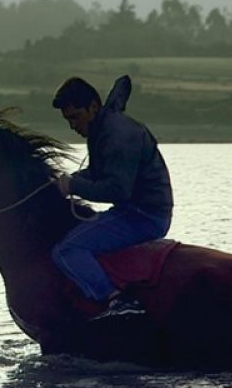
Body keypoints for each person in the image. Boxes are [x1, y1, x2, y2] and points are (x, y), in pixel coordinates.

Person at [50, 75, 174, 320]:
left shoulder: (117, 135)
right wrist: (63, 183)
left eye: (75, 117)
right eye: (67, 120)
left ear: (93, 107)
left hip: (144, 216)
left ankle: (116, 300)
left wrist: (72, 185)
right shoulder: (104, 128)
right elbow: (98, 174)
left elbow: (116, 190)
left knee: (67, 251)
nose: (72, 126)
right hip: (136, 211)